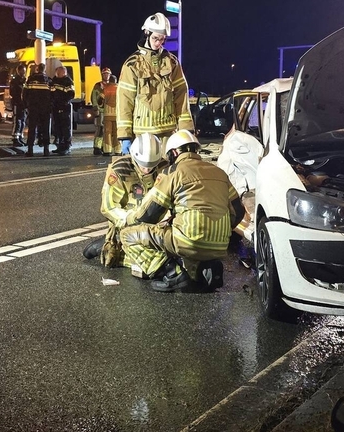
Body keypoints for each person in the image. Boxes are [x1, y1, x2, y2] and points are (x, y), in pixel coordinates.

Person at [119, 131, 243, 292]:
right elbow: (238, 211)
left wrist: (128, 220)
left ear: (175, 152)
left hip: (187, 241)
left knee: (128, 235)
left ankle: (172, 274)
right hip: (219, 245)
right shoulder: (219, 172)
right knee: (190, 246)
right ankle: (205, 268)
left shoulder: (172, 172)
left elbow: (148, 215)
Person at [83, 133, 170, 271]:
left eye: (151, 165)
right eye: (143, 165)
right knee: (148, 262)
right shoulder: (119, 170)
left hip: (158, 226)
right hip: (127, 226)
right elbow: (109, 207)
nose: (147, 169)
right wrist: (130, 219)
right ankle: (110, 246)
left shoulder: (165, 167)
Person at [117, 12, 194, 155]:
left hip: (168, 133)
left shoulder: (172, 62)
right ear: (146, 33)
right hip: (142, 134)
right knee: (145, 174)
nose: (159, 43)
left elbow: (181, 96)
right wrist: (125, 136)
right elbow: (124, 101)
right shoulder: (132, 64)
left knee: (167, 175)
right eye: (155, 38)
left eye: (162, 40)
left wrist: (186, 130)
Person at [23, 63, 52, 156]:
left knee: (32, 128)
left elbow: (24, 94)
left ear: (37, 69)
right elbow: (52, 95)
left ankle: (30, 149)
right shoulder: (48, 80)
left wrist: (26, 105)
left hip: (33, 107)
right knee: (45, 128)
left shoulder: (31, 79)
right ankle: (46, 150)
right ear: (44, 69)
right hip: (45, 108)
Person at [49, 65, 74, 155]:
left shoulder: (68, 82)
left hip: (64, 108)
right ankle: (60, 146)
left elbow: (71, 94)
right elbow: (51, 93)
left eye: (58, 72)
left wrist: (63, 103)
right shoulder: (54, 80)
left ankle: (67, 146)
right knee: (57, 128)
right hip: (55, 107)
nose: (57, 74)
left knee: (65, 128)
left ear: (63, 72)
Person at [90, 67, 112, 156]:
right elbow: (94, 97)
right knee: (100, 129)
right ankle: (97, 147)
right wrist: (95, 108)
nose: (106, 75)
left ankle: (104, 146)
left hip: (109, 111)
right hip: (101, 111)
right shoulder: (98, 86)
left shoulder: (111, 85)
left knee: (107, 130)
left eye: (108, 74)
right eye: (105, 74)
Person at [9, 63, 27, 146]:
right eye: (22, 71)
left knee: (23, 121)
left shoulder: (25, 80)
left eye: (24, 71)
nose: (24, 72)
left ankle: (20, 137)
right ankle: (15, 138)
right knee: (17, 121)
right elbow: (12, 93)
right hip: (17, 103)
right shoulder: (15, 81)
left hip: (23, 104)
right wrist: (18, 101)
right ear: (18, 71)